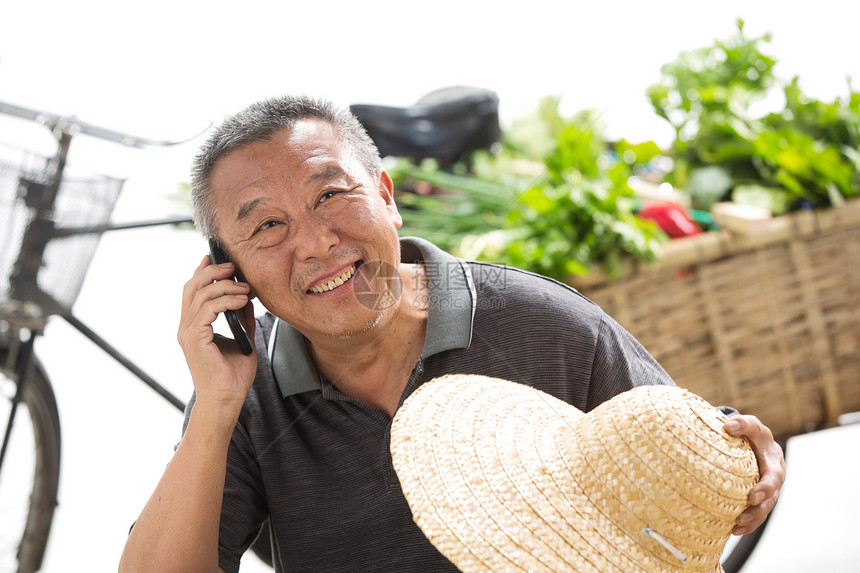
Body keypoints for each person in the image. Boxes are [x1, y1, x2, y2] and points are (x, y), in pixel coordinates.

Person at [118, 95, 785, 573]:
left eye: (331, 195)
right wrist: (214, 408)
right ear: (226, 270)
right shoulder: (246, 396)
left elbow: (678, 453)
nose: (319, 243)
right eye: (268, 227)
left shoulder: (536, 320)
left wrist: (743, 463)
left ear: (386, 193)